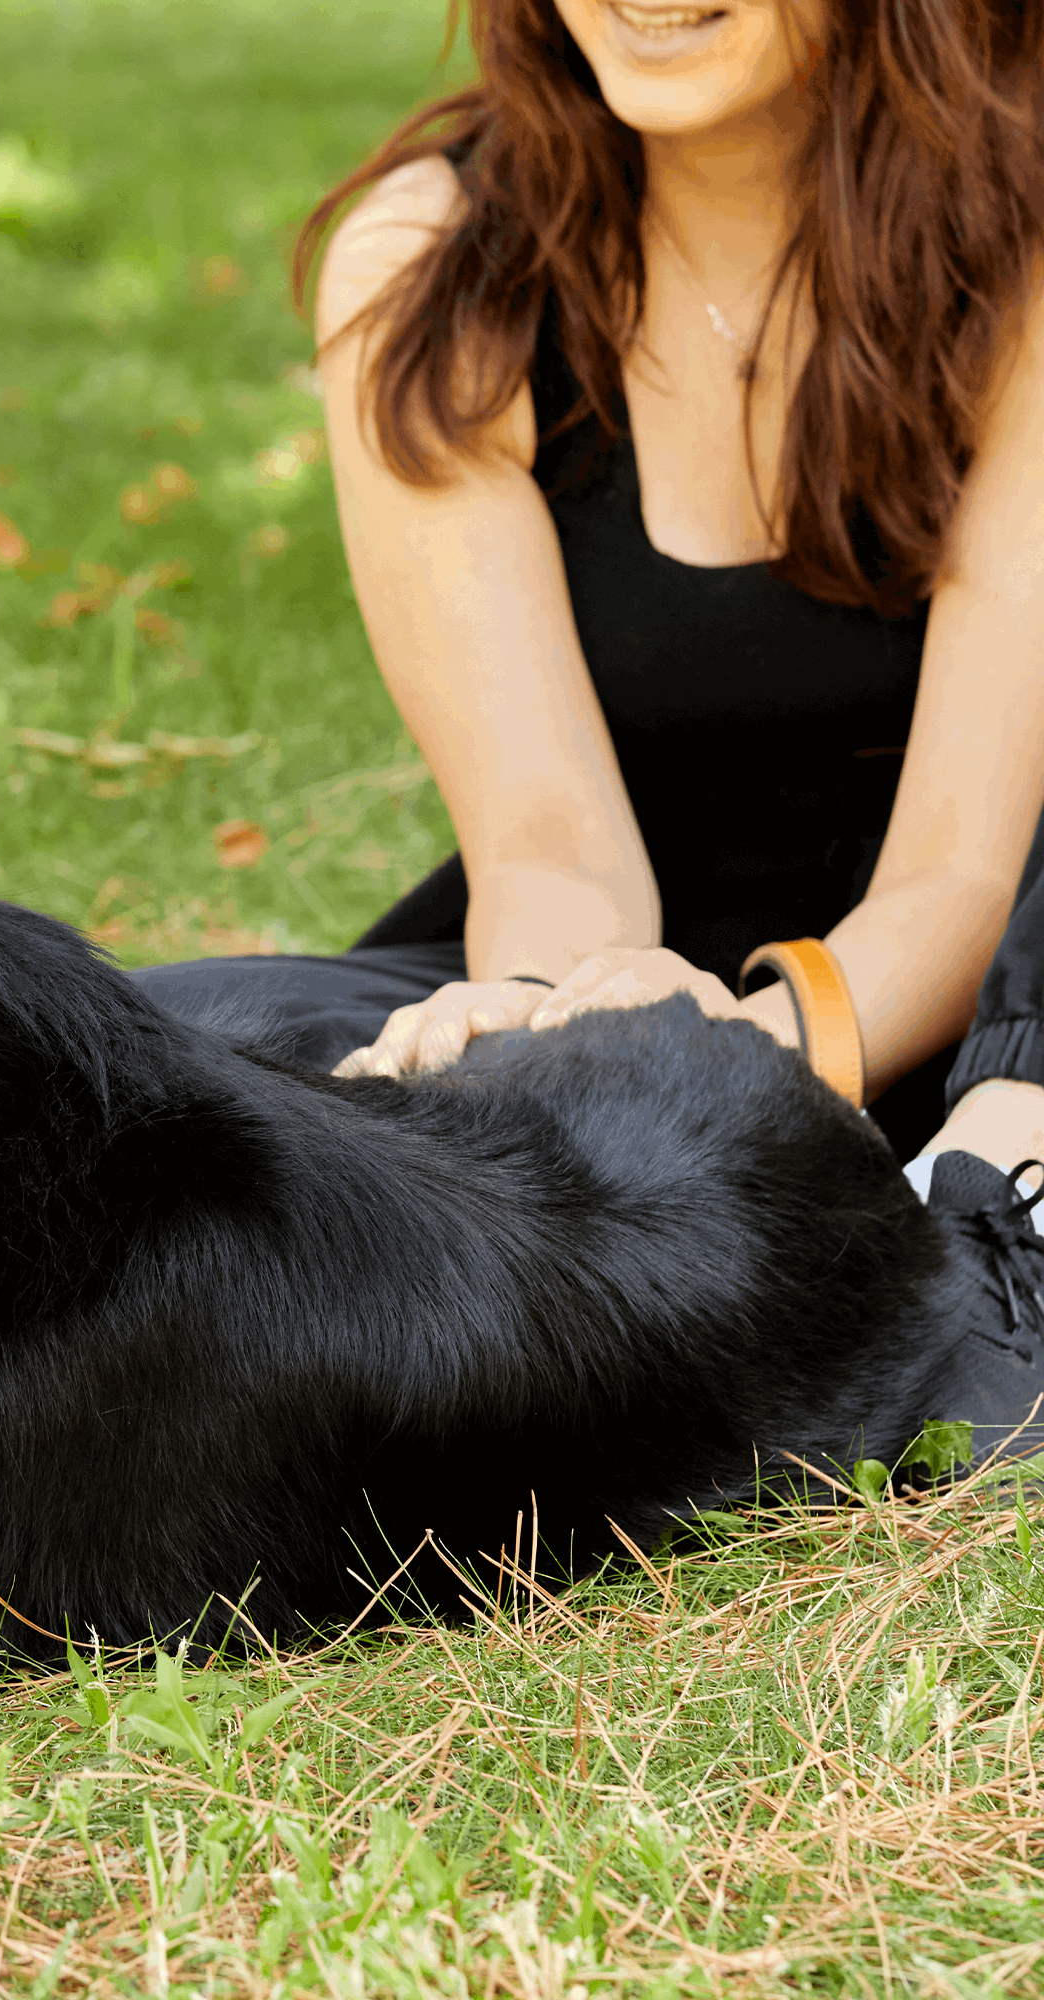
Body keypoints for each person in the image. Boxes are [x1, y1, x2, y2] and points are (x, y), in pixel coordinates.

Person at [131, 0, 1044, 1451]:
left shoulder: (1017, 227)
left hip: (976, 996)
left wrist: (734, 1074)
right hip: (634, 986)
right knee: (158, 1069)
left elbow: (964, 867)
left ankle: (968, 1237)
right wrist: (541, 1042)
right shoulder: (436, 268)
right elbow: (546, 834)